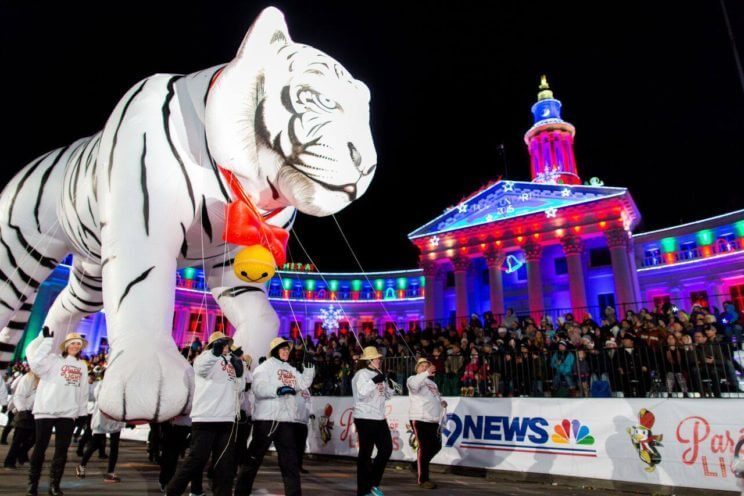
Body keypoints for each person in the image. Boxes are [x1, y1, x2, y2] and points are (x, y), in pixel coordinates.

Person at [166, 331, 242, 496]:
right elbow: (201, 368)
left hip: (226, 418)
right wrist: (214, 353)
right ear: (213, 345)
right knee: (196, 460)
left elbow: (237, 388)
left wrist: (240, 374)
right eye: (221, 344)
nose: (226, 347)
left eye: (226, 344)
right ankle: (172, 492)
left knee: (224, 464)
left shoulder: (229, 362)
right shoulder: (204, 358)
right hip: (206, 417)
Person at [235, 337, 314, 496]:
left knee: (290, 462)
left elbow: (303, 384)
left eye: (287, 349)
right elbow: (258, 388)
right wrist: (278, 389)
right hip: (267, 420)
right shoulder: (264, 368)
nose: (286, 352)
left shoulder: (291, 369)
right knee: (253, 459)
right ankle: (241, 493)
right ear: (275, 351)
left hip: (286, 420)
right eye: (283, 349)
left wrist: (309, 367)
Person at [26, 328, 88, 496]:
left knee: (62, 450)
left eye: (78, 344)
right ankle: (33, 483)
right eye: (72, 343)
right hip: (46, 409)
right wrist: (46, 342)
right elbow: (36, 363)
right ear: (66, 346)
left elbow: (83, 390)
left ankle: (55, 485)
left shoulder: (82, 366)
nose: (75, 346)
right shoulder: (53, 360)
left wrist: (82, 411)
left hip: (67, 412)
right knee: (40, 447)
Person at [352, 346, 394, 496]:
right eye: (376, 358)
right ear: (369, 360)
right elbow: (361, 393)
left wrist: (391, 384)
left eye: (379, 358)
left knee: (386, 449)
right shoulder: (361, 374)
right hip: (364, 417)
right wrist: (374, 380)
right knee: (366, 453)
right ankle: (363, 490)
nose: (379, 360)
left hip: (379, 417)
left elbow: (387, 395)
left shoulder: (379, 373)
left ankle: (372, 483)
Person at [75, 368, 126, 482]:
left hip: (115, 418)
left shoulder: (120, 387)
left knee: (114, 446)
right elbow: (99, 399)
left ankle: (110, 473)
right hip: (102, 418)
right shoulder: (100, 385)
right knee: (95, 444)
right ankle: (81, 465)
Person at [407, 357, 445, 490]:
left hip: (433, 419)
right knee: (423, 448)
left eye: (426, 365)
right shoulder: (413, 379)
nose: (424, 367)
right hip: (420, 418)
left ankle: (418, 464)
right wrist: (425, 373)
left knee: (436, 446)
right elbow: (414, 386)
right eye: (421, 365)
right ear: (417, 368)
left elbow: (436, 397)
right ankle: (423, 479)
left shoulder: (433, 384)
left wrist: (442, 402)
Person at [4, 372, 39, 469]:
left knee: (34, 439)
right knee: (18, 439)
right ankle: (10, 461)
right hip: (26, 411)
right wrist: (22, 410)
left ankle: (22, 455)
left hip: (40, 413)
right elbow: (18, 394)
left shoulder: (49, 377)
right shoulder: (29, 377)